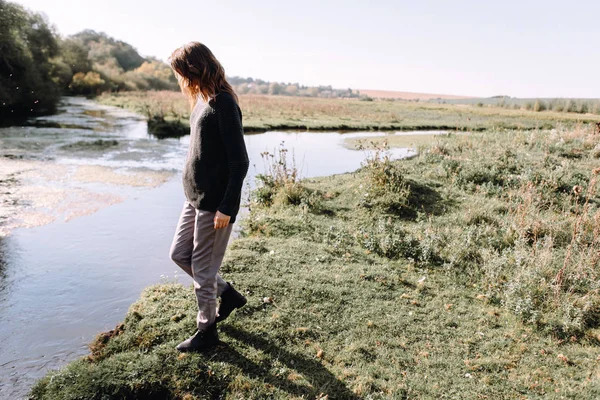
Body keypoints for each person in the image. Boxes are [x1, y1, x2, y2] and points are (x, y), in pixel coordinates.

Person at [167, 42, 249, 352]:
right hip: (194, 198)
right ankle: (227, 293)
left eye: (180, 73)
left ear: (193, 70)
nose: (179, 80)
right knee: (179, 254)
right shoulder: (202, 100)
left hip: (214, 204)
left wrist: (227, 207)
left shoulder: (223, 104)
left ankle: (207, 333)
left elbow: (239, 162)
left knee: (203, 272)